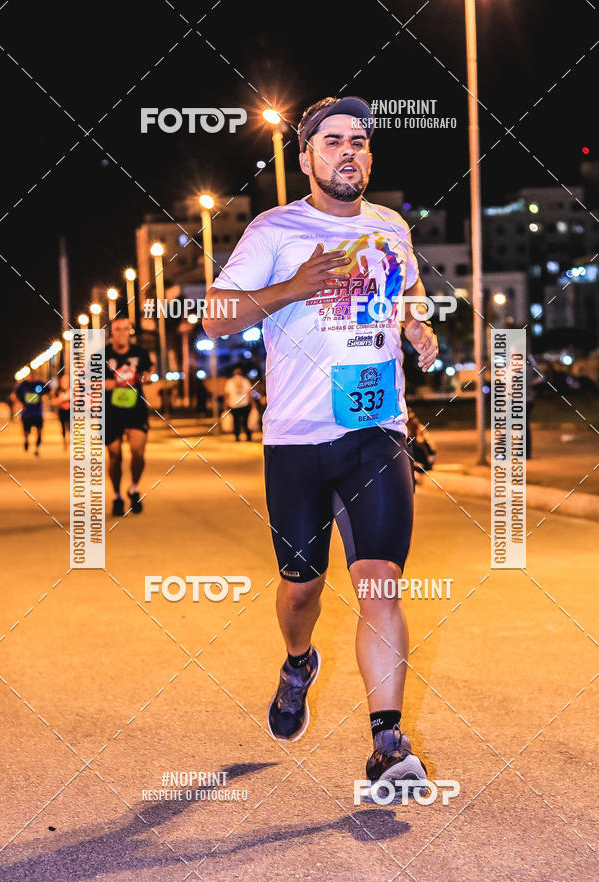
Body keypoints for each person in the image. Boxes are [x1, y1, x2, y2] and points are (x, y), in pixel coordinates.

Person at [204, 96, 439, 799]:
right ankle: (298, 661)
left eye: (360, 142)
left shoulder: (390, 227)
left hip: (376, 431)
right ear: (305, 157)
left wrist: (419, 326)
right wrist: (294, 287)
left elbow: (410, 292)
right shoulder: (276, 229)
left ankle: (386, 743)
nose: (349, 152)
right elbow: (217, 318)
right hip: (297, 439)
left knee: (379, 586)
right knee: (302, 588)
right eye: (333, 140)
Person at [104, 318, 153, 515]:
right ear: (111, 333)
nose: (122, 332)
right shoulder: (102, 355)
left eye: (126, 329)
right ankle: (117, 496)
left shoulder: (140, 353)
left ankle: (134, 487)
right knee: (115, 455)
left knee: (138, 451)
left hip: (135, 408)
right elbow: (89, 381)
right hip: (111, 410)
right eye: (118, 329)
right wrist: (107, 384)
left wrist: (146, 377)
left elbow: (149, 372)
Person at [11, 378, 50, 455]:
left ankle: (37, 448)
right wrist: (19, 403)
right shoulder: (22, 385)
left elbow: (49, 391)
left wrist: (45, 397)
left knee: (39, 432)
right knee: (27, 432)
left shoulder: (40, 382)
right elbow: (14, 395)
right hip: (27, 413)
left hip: (37, 413)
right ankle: (26, 440)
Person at [407, 406, 436, 489]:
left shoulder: (419, 429)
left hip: (423, 462)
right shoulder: (406, 430)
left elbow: (429, 447)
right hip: (416, 462)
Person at [224, 367, 253, 441]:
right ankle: (248, 436)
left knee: (235, 421)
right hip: (245, 404)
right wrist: (253, 404)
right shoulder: (245, 381)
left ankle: (237, 436)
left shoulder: (230, 382)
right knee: (246, 421)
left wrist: (225, 405)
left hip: (234, 404)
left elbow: (227, 394)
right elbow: (249, 393)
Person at [53, 374, 71, 451]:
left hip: (71, 411)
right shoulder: (58, 390)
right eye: (64, 381)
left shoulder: (72, 389)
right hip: (62, 411)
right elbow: (54, 401)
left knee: (71, 427)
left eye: (67, 380)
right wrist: (61, 399)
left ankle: (70, 440)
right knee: (63, 427)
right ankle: (64, 441)